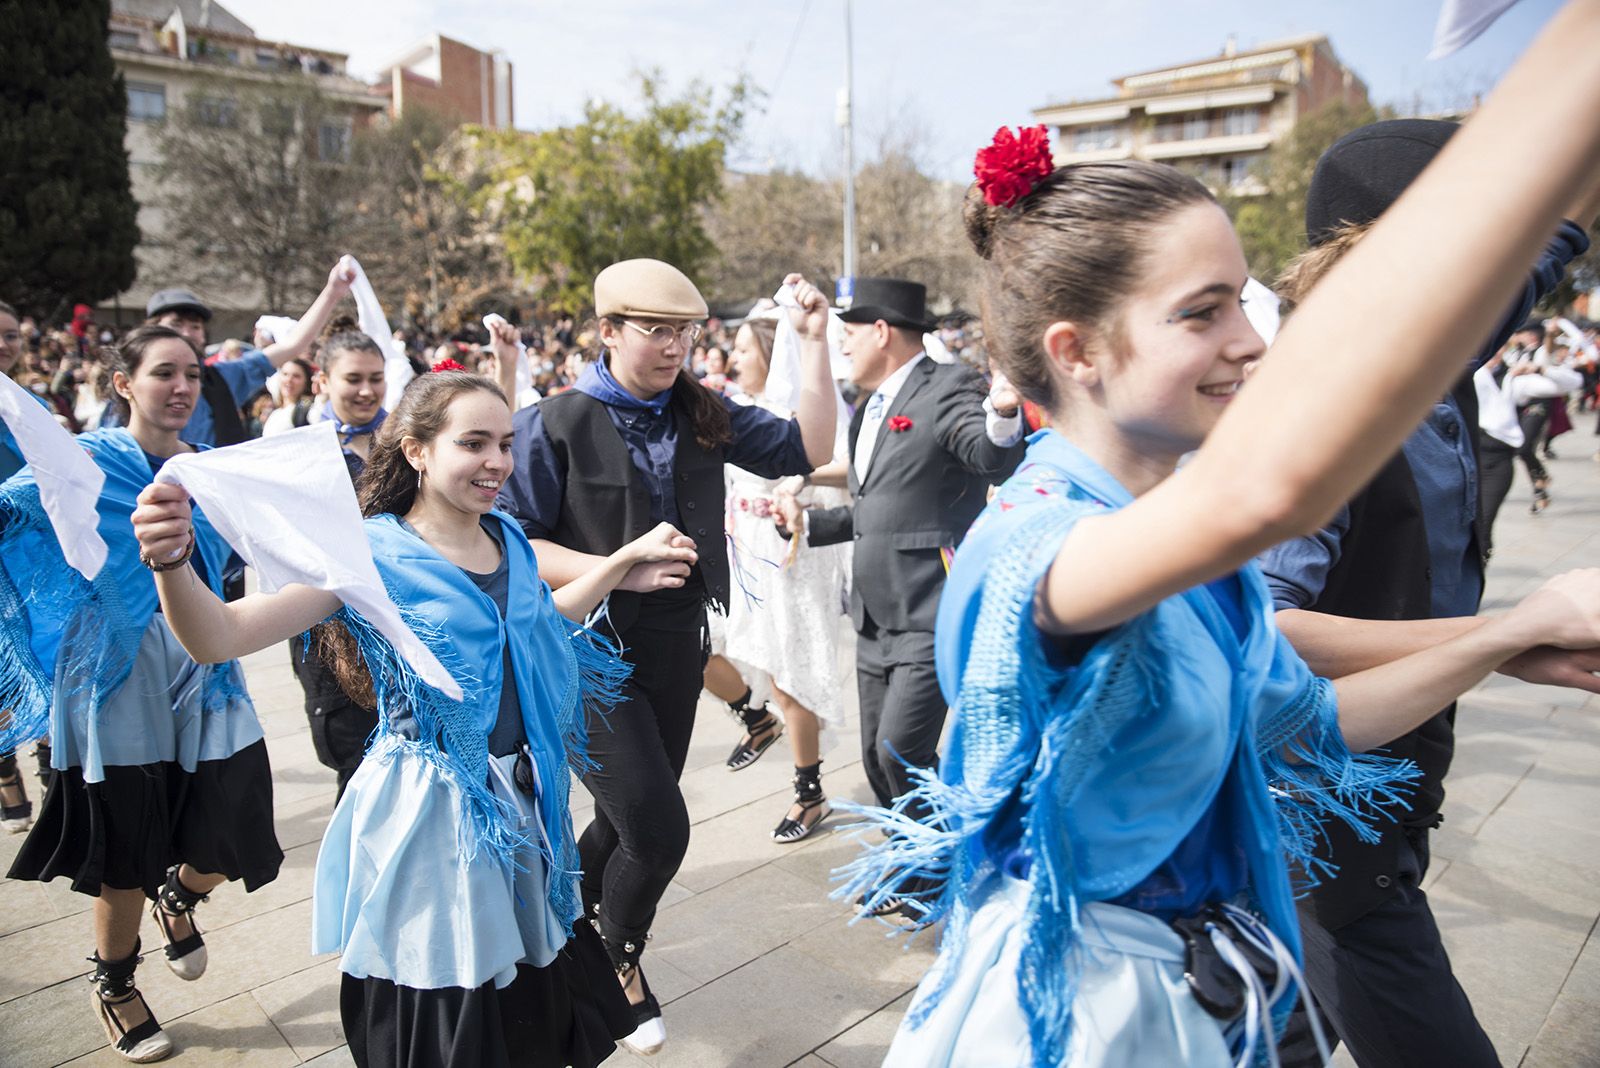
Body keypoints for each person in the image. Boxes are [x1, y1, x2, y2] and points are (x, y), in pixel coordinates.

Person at [843, 6, 1600, 1060]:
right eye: (1203, 314)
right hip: (1084, 1020)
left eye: (1241, 303)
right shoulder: (1034, 537)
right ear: (1076, 351)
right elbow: (1265, 494)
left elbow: (1309, 727)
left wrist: (1506, 637)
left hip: (1202, 999)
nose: (1251, 342)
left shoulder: (1171, 535)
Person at [132, 368, 698, 1067]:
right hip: (434, 815)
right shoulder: (366, 553)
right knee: (452, 999)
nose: (497, 462)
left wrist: (621, 563)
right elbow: (220, 636)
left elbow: (531, 625)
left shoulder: (508, 536)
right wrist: (171, 562)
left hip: (525, 804)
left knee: (527, 1005)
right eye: (473, 443)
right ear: (417, 451)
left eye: (505, 443)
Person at [1265, 119, 1600, 1068]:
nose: (1501, 262)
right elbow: (1269, 633)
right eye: (1481, 232)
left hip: (1395, 780)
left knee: (1281, 1031)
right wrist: (1500, 638)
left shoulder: (1432, 349)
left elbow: (1554, 240)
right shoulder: (1323, 405)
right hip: (1322, 809)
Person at [497, 260, 837, 1055]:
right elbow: (512, 543)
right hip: (586, 650)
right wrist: (616, 567)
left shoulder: (700, 409)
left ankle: (559, 922)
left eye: (684, 331)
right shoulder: (553, 422)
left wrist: (815, 342)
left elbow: (807, 447)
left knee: (628, 820)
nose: (675, 346)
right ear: (608, 331)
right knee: (658, 829)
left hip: (678, 644)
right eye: (655, 330)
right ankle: (616, 958)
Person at [2, 325, 283, 1063]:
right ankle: (116, 981)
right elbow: (10, 514)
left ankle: (180, 895)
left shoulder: (211, 469)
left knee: (238, 827)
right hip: (113, 678)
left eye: (191, 372)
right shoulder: (83, 461)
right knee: (126, 849)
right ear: (123, 383)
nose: (182, 386)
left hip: (205, 666)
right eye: (164, 372)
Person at [778, 276, 1025, 841]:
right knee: (875, 756)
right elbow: (880, 506)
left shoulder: (949, 384)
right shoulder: (869, 406)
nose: (843, 345)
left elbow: (989, 455)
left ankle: (943, 859)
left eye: (849, 333)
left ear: (882, 331)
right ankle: (910, 861)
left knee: (900, 751)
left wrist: (1002, 412)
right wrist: (809, 523)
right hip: (872, 617)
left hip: (928, 606)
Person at [714, 313, 853, 840]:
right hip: (740, 551)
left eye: (744, 349)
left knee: (788, 676)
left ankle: (809, 794)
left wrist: (799, 479)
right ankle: (755, 719)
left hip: (788, 558)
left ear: (772, 357)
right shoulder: (732, 409)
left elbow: (848, 466)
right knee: (703, 648)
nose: (733, 358)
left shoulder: (804, 411)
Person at [142, 260, 351, 447]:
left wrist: (332, 292)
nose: (187, 333)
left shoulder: (221, 378)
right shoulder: (125, 447)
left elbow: (291, 345)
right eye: (176, 324)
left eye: (195, 326)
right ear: (127, 386)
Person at [261, 357, 315, 437]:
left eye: (296, 376)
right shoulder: (274, 413)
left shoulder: (310, 410)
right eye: (285, 374)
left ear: (306, 381)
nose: (289, 380)